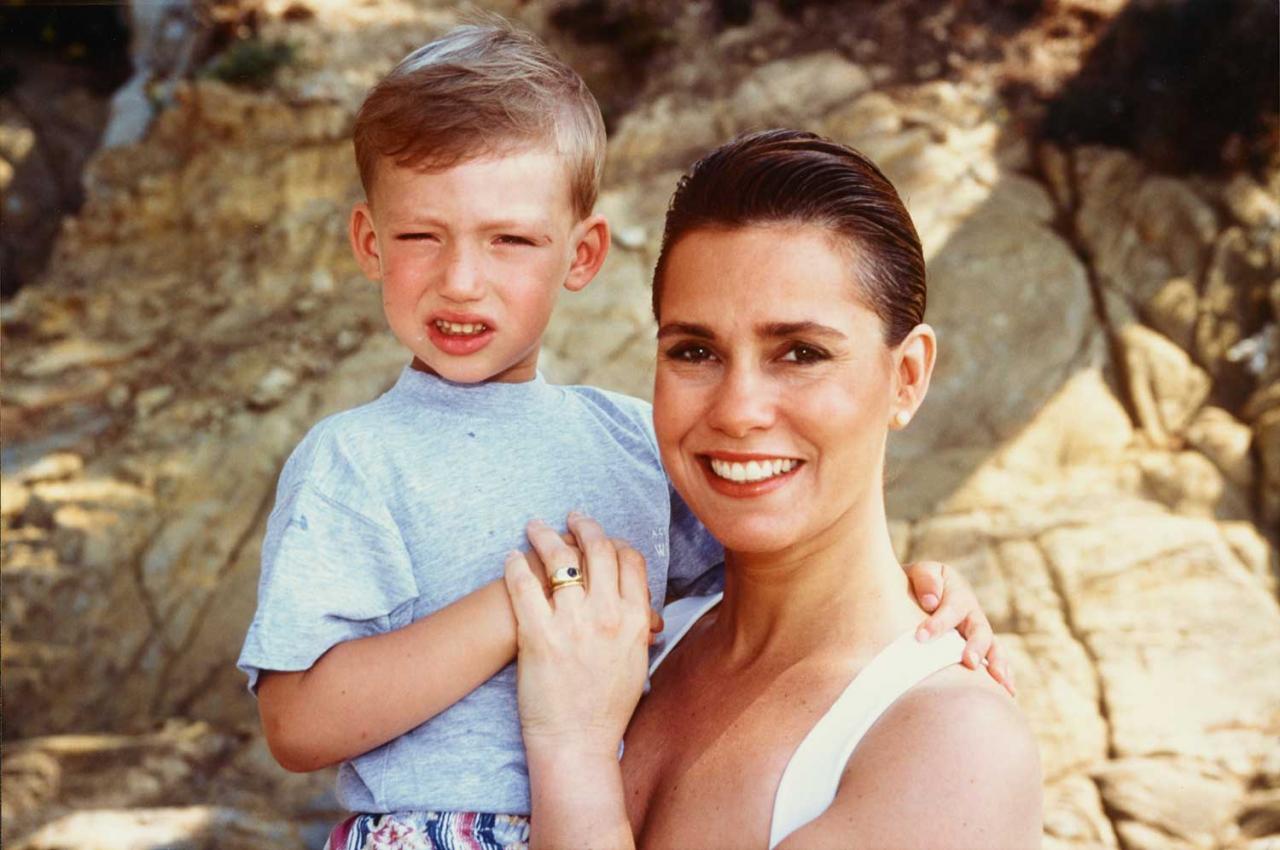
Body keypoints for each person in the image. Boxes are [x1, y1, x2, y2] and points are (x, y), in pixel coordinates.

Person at [236, 23, 1010, 850]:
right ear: (369, 242)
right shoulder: (354, 457)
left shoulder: (630, 444)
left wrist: (922, 593)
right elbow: (296, 721)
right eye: (694, 351)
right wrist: (526, 601)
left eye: (509, 240)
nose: (462, 280)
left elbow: (776, 549)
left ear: (582, 254)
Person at [506, 130, 1043, 848]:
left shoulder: (950, 740)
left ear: (907, 377)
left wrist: (572, 750)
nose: (737, 409)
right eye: (695, 351)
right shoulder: (622, 638)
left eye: (801, 353)